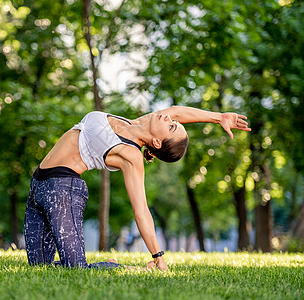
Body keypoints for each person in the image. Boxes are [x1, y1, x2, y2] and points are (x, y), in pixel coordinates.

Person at [24, 106, 251, 270]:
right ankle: (105, 266)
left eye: (171, 126)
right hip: (37, 185)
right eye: (174, 123)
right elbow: (180, 112)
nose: (170, 118)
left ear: (158, 143)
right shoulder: (133, 123)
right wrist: (218, 117)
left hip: (63, 190)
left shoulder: (131, 155)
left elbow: (141, 210)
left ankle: (120, 268)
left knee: (75, 270)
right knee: (38, 266)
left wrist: (158, 255)